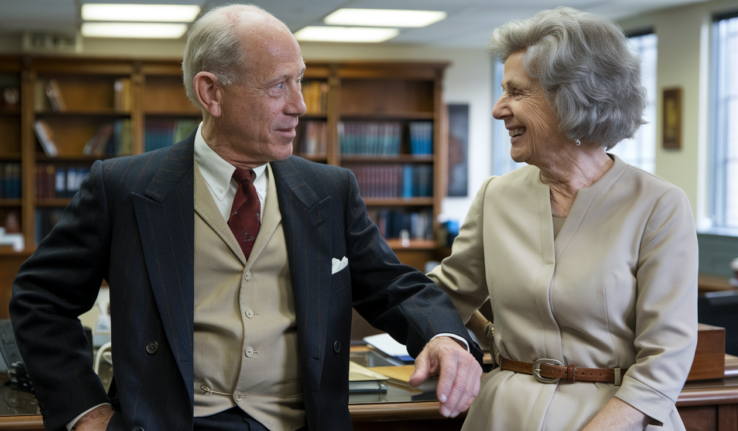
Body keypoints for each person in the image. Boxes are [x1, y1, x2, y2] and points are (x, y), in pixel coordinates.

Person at [10, 5, 483, 431]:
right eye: (279, 85)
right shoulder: (123, 187)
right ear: (211, 92)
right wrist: (85, 413)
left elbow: (393, 285)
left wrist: (443, 336)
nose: (299, 105)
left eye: (300, 81)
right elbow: (40, 298)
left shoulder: (329, 190)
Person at [427, 7, 698, 431]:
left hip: (615, 419)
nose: (499, 109)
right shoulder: (496, 197)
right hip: (502, 417)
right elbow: (444, 297)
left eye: (516, 92)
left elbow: (667, 357)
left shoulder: (658, 205)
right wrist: (447, 334)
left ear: (571, 98)